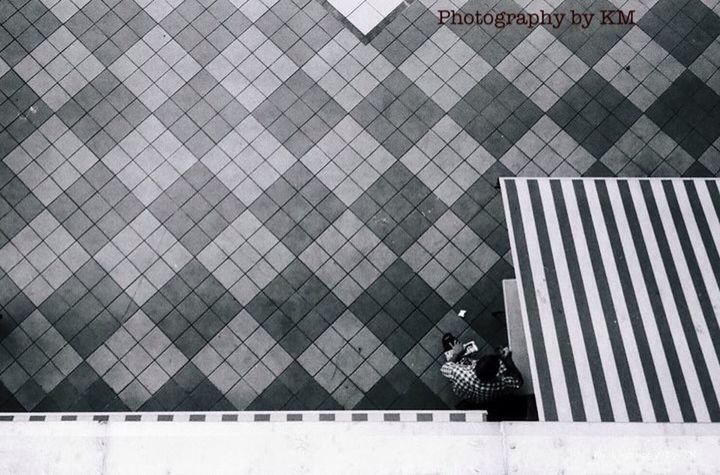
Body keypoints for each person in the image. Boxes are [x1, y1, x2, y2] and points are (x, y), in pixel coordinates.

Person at [440, 333, 523, 406]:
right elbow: (519, 382)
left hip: (463, 390)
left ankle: (455, 356)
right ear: (495, 374)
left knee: (457, 362)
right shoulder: (500, 384)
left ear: (475, 366)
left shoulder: (460, 373)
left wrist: (457, 354)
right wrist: (508, 360)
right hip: (480, 399)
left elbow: (444, 367)